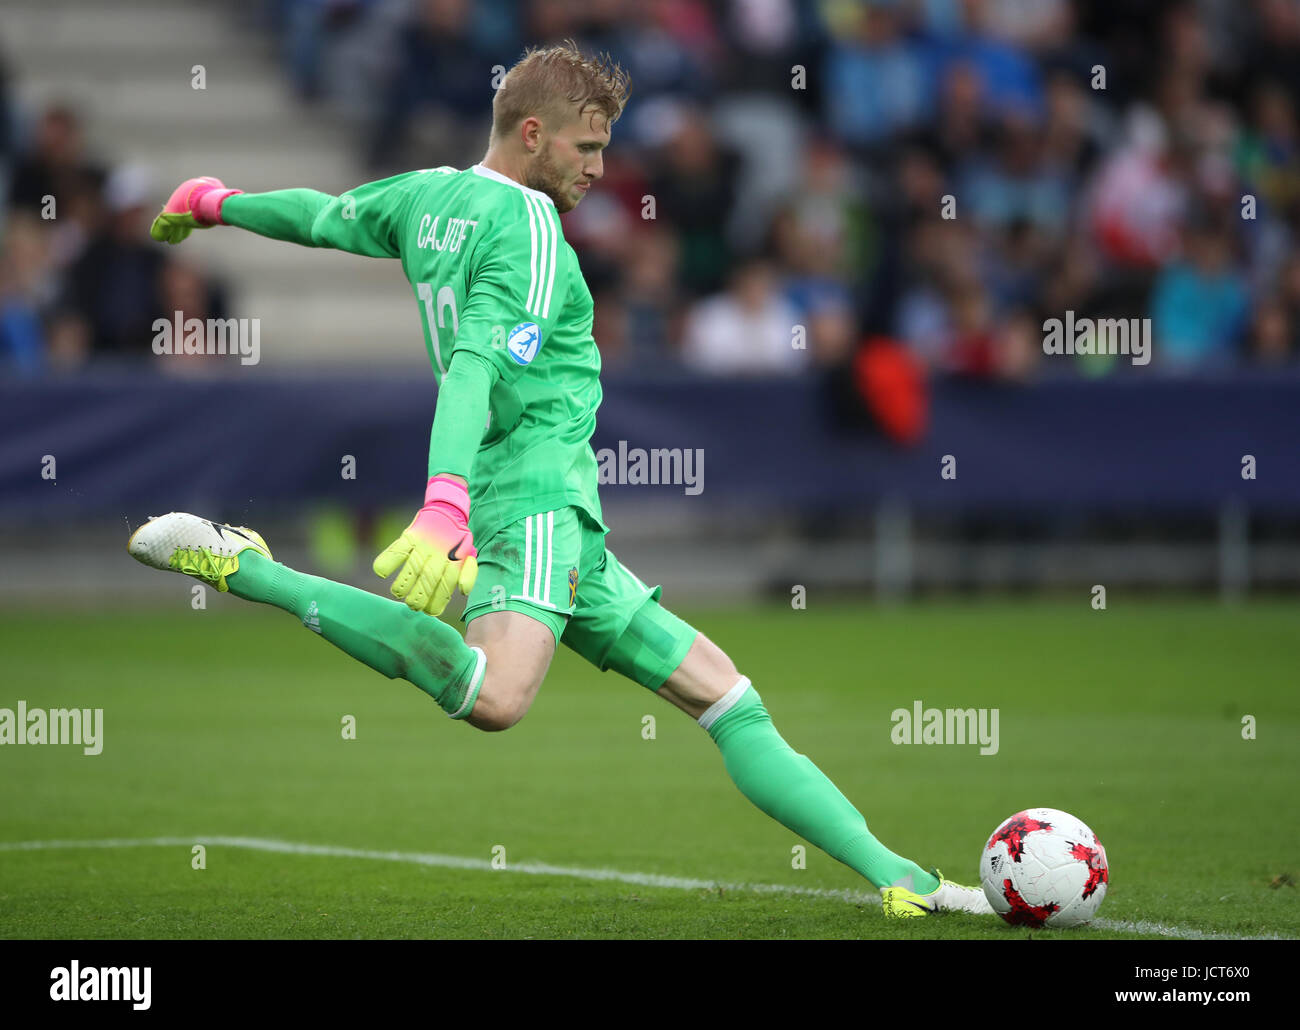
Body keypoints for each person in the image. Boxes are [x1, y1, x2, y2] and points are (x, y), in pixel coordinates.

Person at [129, 41, 990, 921]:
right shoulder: (531, 229)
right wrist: (444, 500)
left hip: (568, 521)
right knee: (496, 698)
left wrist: (217, 202)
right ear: (534, 134)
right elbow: (472, 366)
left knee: (727, 697)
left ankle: (904, 878)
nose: (601, 167)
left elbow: (320, 216)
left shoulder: (427, 195)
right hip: (532, 499)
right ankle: (253, 568)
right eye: (588, 148)